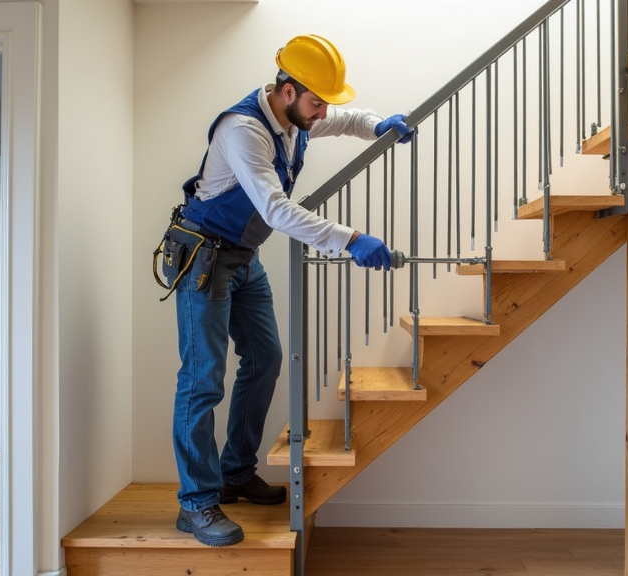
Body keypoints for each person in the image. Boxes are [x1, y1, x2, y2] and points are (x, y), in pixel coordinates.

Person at [171, 33, 414, 547]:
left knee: (266, 359)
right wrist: (349, 239)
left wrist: (376, 124)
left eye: (325, 100)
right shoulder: (243, 131)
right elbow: (276, 210)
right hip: (203, 259)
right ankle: (195, 503)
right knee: (202, 380)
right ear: (286, 90)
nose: (322, 111)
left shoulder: (296, 118)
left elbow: (342, 119)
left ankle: (236, 473)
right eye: (315, 100)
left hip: (241, 258)